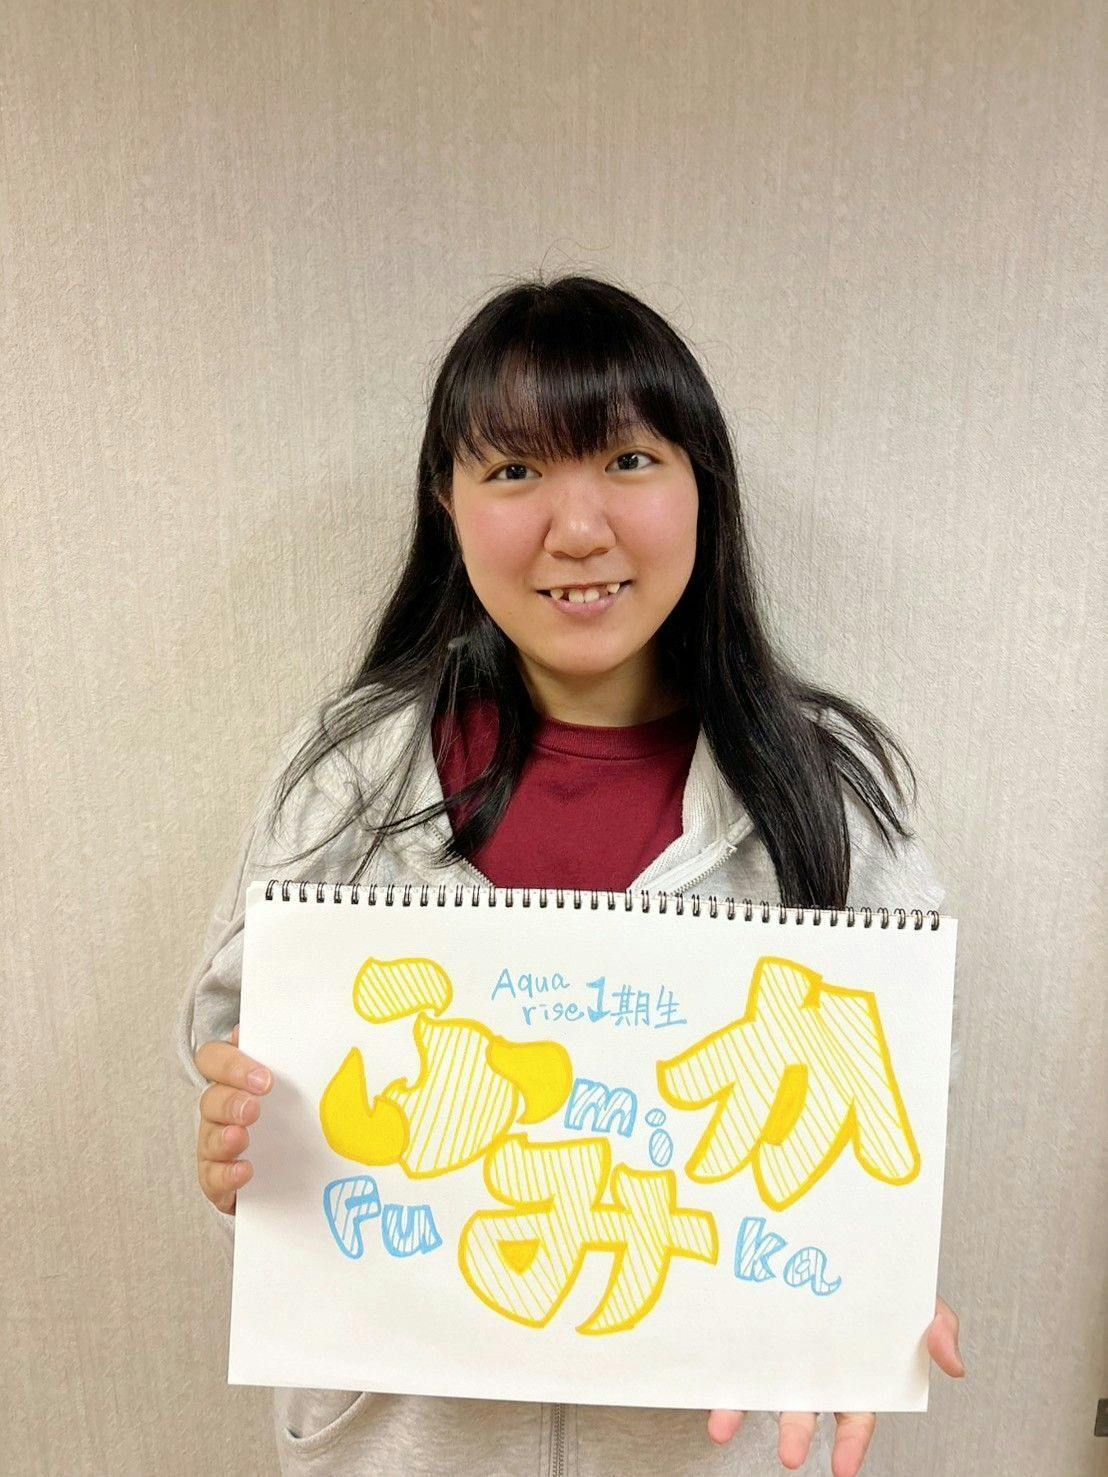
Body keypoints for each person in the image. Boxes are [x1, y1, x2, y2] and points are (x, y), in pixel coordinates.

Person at [175, 273, 964, 1477]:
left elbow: (887, 1120)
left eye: (629, 460)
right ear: (445, 503)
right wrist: (242, 1155)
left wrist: (872, 1290)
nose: (578, 527)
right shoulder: (347, 776)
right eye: (513, 470)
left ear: (705, 487)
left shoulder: (825, 795)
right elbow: (231, 1070)